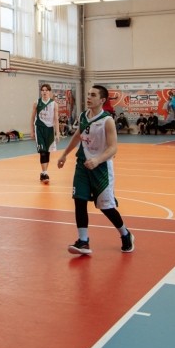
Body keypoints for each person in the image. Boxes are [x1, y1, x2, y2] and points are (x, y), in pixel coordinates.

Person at [57, 85, 134, 254]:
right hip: (82, 165)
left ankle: (125, 234)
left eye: (93, 95)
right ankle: (83, 241)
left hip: (101, 167)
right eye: (88, 94)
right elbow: (77, 136)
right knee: (79, 199)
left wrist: (97, 160)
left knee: (106, 207)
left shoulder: (107, 120)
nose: (89, 97)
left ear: (102, 100)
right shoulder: (83, 116)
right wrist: (64, 154)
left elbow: (113, 148)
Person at [31, 83, 60, 184]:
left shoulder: (54, 104)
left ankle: (43, 173)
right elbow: (32, 118)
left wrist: (57, 133)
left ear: (49, 92)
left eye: (46, 90)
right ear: (41, 92)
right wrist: (32, 131)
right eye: (42, 90)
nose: (44, 92)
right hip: (39, 128)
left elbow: (56, 119)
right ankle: (45, 173)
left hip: (50, 130)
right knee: (42, 151)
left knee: (47, 152)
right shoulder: (36, 103)